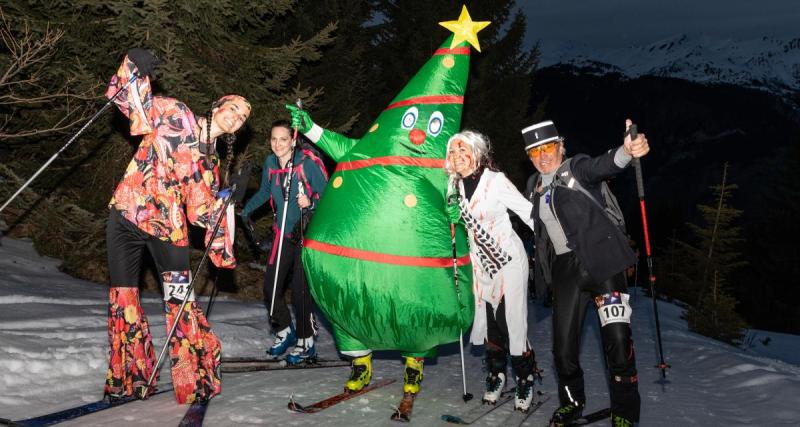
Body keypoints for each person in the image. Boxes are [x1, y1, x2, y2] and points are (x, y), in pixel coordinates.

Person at [104, 48, 251, 404]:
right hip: (126, 214)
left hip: (169, 231)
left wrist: (227, 200)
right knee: (124, 299)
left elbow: (201, 212)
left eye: (244, 117)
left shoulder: (211, 161)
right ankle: (131, 380)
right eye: (234, 108)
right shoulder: (176, 112)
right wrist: (134, 68)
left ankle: (193, 377)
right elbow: (130, 105)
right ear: (217, 105)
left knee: (180, 302)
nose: (237, 117)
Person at [521, 120, 649, 427]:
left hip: (602, 262)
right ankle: (572, 403)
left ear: (560, 146)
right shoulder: (532, 187)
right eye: (534, 152)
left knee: (618, 340)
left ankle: (625, 413)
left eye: (548, 148)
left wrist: (626, 152)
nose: (542, 156)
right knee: (563, 349)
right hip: (566, 272)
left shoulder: (575, 169)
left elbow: (603, 166)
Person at [444, 130, 539, 412]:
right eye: (453, 152)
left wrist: (556, 242)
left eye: (464, 152)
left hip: (508, 259)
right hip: (480, 265)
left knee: (511, 322)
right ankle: (496, 374)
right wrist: (450, 221)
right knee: (489, 323)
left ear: (477, 154)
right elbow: (454, 230)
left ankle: (525, 376)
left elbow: (527, 212)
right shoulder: (452, 186)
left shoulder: (494, 181)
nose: (458, 157)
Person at [240, 120, 328, 364]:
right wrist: (244, 211)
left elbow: (328, 196)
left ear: (293, 140)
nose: (277, 144)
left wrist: (310, 203)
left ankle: (306, 341)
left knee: (300, 291)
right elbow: (265, 192)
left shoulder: (306, 165)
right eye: (273, 139)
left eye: (283, 139)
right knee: (271, 288)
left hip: (306, 234)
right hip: (283, 234)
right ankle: (284, 331)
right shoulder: (270, 163)